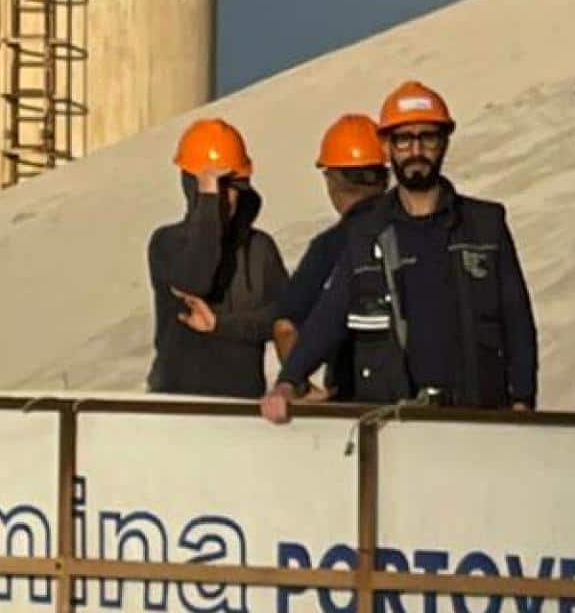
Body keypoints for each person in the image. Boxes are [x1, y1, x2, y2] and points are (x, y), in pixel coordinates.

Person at [262, 78, 537, 418]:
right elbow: (329, 316)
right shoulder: (366, 232)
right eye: (404, 139)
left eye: (428, 137)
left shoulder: (485, 226)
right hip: (391, 425)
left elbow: (517, 321)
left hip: (475, 418)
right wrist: (289, 382)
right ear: (387, 147)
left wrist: (523, 400)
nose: (416, 151)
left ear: (445, 142)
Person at [147, 118, 289, 398]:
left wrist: (221, 325)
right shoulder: (166, 243)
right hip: (174, 411)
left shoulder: (260, 249)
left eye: (230, 187)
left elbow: (284, 318)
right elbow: (196, 278)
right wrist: (208, 199)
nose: (224, 198)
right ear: (191, 187)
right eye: (215, 187)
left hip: (241, 410)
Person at [272, 114, 391, 399]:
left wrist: (304, 389)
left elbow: (286, 330)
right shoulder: (414, 232)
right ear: (384, 177)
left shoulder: (328, 247)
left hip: (351, 398)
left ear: (332, 181)